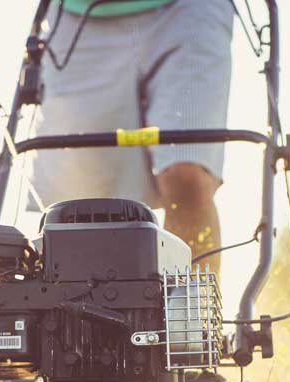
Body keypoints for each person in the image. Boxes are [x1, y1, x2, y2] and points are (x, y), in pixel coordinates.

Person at [31, 0, 233, 274]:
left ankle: (189, 313)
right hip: (79, 17)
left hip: (189, 10)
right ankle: (81, 313)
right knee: (78, 209)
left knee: (188, 176)